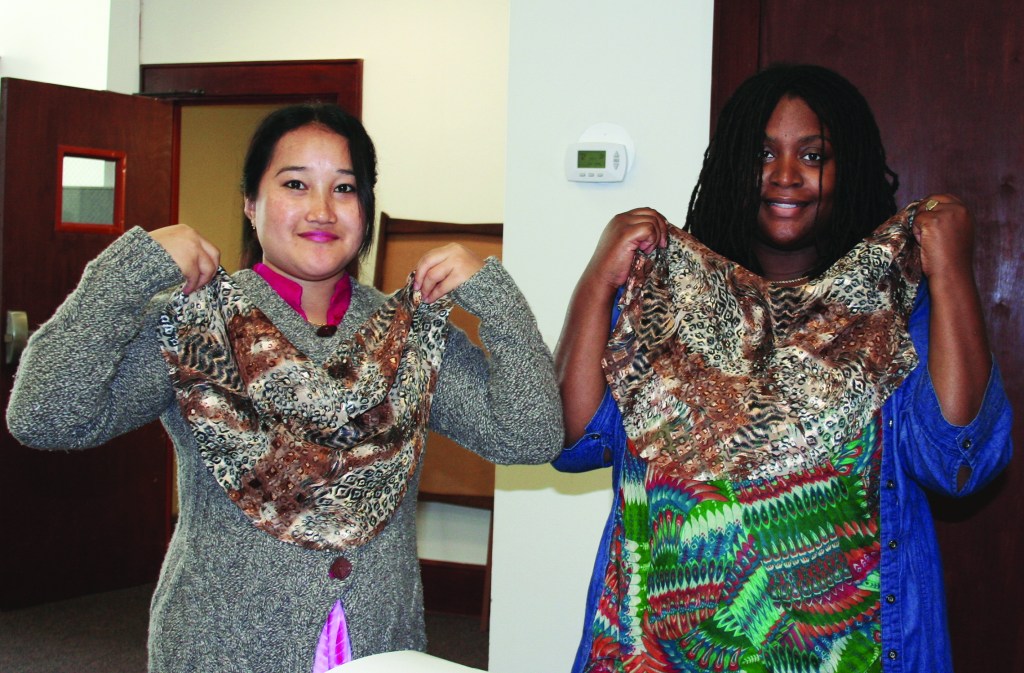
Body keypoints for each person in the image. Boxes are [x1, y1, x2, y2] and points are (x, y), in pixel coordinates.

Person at [6, 102, 563, 672]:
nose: (322, 210)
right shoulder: (198, 325)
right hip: (222, 648)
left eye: (344, 188)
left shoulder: (408, 336)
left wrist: (497, 299)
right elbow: (46, 416)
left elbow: (530, 436)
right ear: (251, 203)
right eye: (295, 184)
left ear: (366, 209)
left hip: (379, 643)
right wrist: (127, 273)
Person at [553, 64, 1012, 673]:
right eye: (763, 153)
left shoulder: (891, 311)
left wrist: (950, 269)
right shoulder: (668, 300)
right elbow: (571, 438)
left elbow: (957, 462)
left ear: (848, 168)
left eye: (813, 155)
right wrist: (598, 279)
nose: (785, 175)